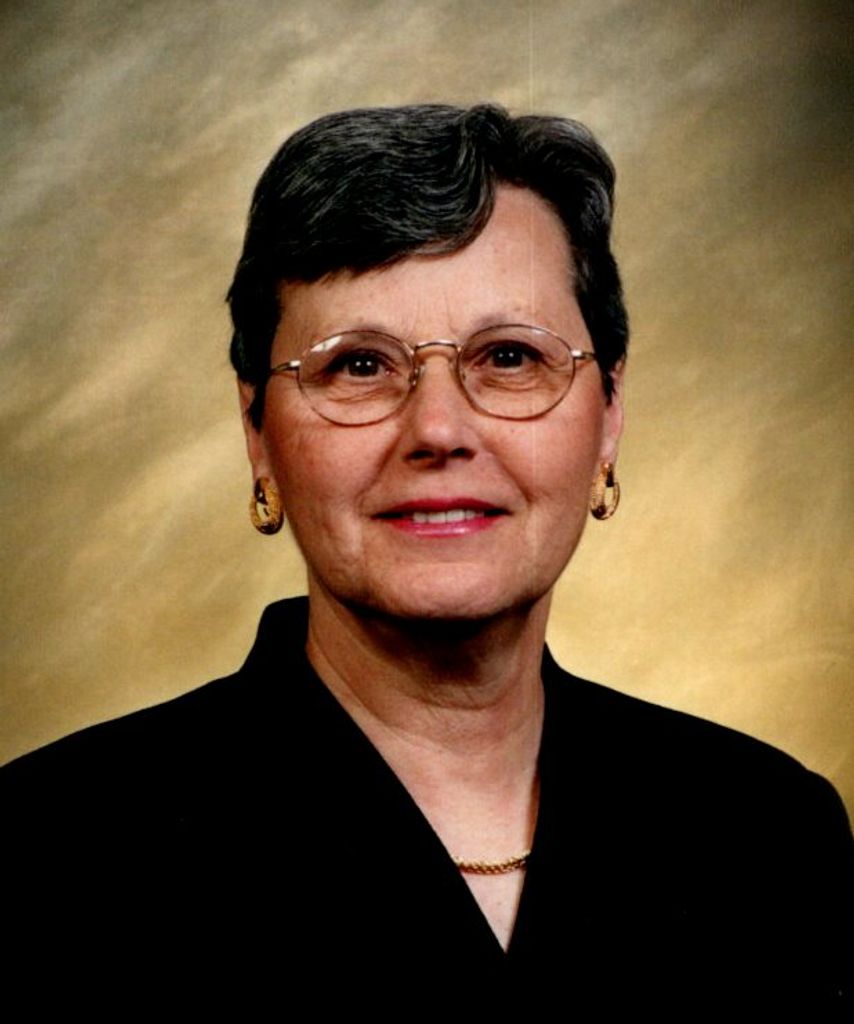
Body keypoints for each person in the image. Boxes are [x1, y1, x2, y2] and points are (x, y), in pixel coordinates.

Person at [3, 104, 852, 1012]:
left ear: (609, 412)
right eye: (359, 366)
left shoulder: (771, 833)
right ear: (257, 431)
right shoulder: (46, 852)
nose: (439, 430)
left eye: (510, 356)